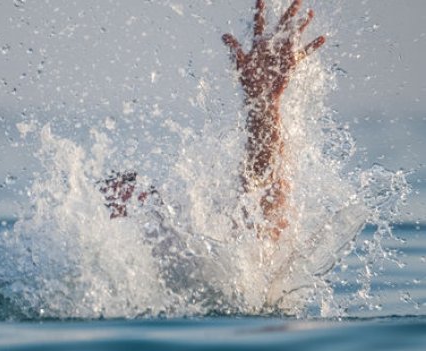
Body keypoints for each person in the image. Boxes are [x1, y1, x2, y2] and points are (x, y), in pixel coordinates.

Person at [101, 0, 325, 241]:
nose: (119, 208)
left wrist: (264, 105)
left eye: (129, 197)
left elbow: (263, 219)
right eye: (110, 205)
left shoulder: (183, 235)